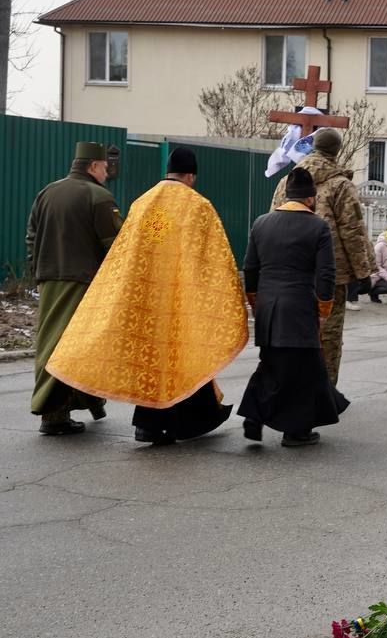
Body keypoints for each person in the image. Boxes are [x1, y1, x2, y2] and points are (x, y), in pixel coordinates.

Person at [45, 147, 248, 446]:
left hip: (150, 297)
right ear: (191, 175)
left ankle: (150, 425)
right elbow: (211, 258)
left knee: (154, 364)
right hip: (182, 298)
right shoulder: (197, 206)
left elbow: (149, 248)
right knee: (181, 358)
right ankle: (169, 424)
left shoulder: (148, 202)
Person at [241, 167, 350, 447]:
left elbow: (250, 268)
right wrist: (323, 310)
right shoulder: (317, 226)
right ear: (311, 198)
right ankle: (296, 431)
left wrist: (256, 304)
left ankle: (254, 415)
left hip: (268, 307)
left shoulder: (261, 223)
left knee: (272, 364)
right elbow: (326, 274)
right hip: (300, 309)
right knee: (306, 371)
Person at [25, 142, 123, 435]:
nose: (107, 173)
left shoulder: (47, 192)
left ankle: (88, 401)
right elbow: (116, 244)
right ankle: (53, 413)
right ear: (93, 166)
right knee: (68, 345)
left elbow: (31, 236)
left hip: (49, 278)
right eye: (105, 167)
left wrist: (38, 270)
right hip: (81, 282)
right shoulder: (99, 196)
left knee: (58, 340)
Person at [271, 127, 374, 387]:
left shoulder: (287, 182)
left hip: (290, 273)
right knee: (327, 334)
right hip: (330, 274)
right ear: (336, 150)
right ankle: (323, 391)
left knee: (294, 334)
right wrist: (363, 272)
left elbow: (274, 221)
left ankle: (292, 388)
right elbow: (352, 230)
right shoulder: (340, 184)